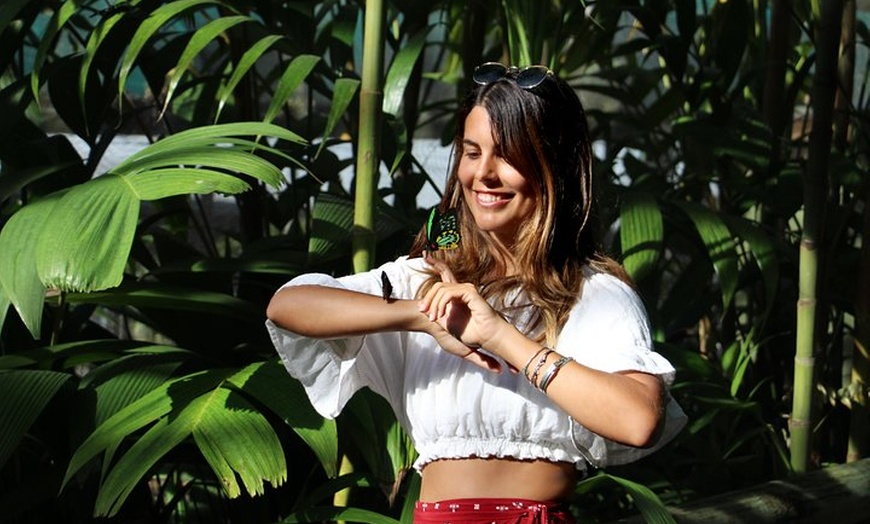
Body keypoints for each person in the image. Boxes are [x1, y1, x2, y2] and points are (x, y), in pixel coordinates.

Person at [266, 62, 686, 524]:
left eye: (506, 155)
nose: (483, 173)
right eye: (471, 152)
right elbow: (288, 305)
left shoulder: (593, 293)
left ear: (554, 166)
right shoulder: (429, 281)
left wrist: (501, 336)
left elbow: (639, 421)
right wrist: (423, 317)